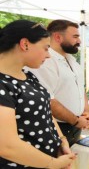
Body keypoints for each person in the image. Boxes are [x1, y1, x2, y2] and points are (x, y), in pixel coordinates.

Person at [0, 20, 76, 168]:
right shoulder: (3, 84)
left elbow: (45, 112)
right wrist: (52, 163)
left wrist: (61, 140)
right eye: (46, 48)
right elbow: (7, 146)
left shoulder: (28, 76)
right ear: (25, 44)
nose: (48, 56)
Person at [28, 19, 89, 146]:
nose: (79, 41)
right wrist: (75, 120)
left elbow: (81, 89)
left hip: (76, 124)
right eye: (75, 37)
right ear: (58, 37)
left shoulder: (72, 60)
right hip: (57, 127)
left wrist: (86, 112)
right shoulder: (45, 62)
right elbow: (48, 99)